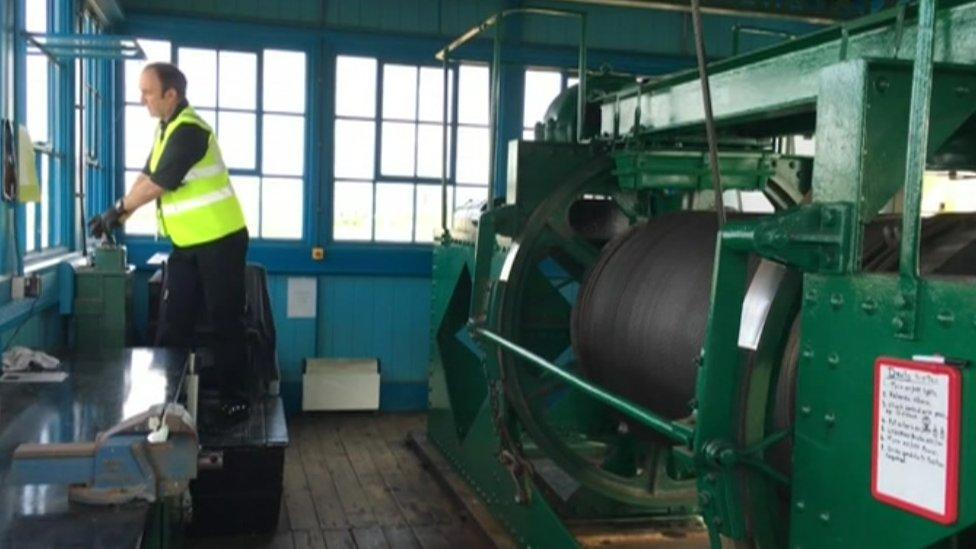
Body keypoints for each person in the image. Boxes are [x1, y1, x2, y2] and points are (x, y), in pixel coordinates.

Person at [89, 62, 250, 422]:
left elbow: (161, 184)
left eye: (147, 92)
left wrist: (118, 210)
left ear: (171, 95)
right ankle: (166, 398)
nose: (141, 99)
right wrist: (116, 215)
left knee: (225, 321)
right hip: (188, 244)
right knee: (172, 321)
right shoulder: (166, 130)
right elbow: (146, 177)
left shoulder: (190, 131)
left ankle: (235, 399)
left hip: (221, 240)